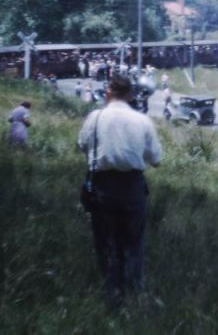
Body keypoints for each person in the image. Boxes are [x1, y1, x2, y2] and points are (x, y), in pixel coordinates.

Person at [78, 75, 162, 307]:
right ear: (132, 95)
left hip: (102, 185)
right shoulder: (142, 120)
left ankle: (112, 294)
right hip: (133, 186)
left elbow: (82, 145)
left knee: (106, 241)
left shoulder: (95, 118)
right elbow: (156, 158)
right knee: (133, 241)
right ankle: (134, 291)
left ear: (108, 92)